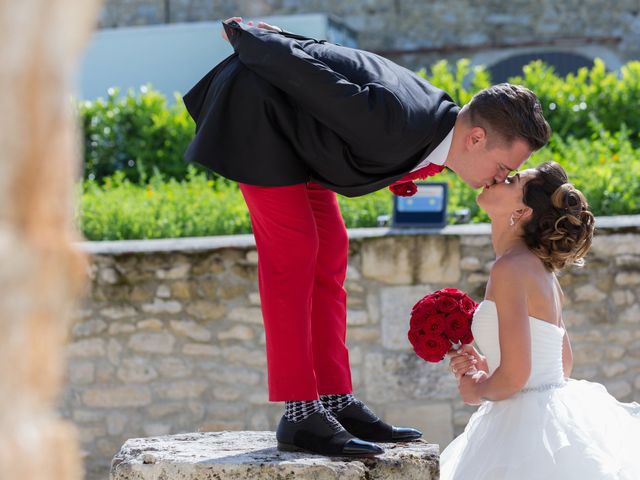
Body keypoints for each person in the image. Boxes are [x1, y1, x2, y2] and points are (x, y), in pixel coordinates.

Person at [182, 16, 551, 457]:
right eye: (504, 168)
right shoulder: (398, 121)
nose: (501, 178)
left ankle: (335, 400)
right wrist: (252, 37)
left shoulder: (433, 124)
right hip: (259, 116)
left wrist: (281, 38)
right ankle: (300, 414)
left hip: (302, 138)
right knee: (294, 253)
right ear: (475, 138)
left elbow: (337, 62)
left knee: (331, 246)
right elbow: (311, 75)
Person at [442, 161, 640, 479]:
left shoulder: (509, 269)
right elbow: (562, 365)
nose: (500, 179)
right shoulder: (543, 271)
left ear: (522, 213)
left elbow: (515, 378)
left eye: (512, 181)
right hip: (551, 416)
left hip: (522, 430)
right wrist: (489, 364)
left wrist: (476, 390)